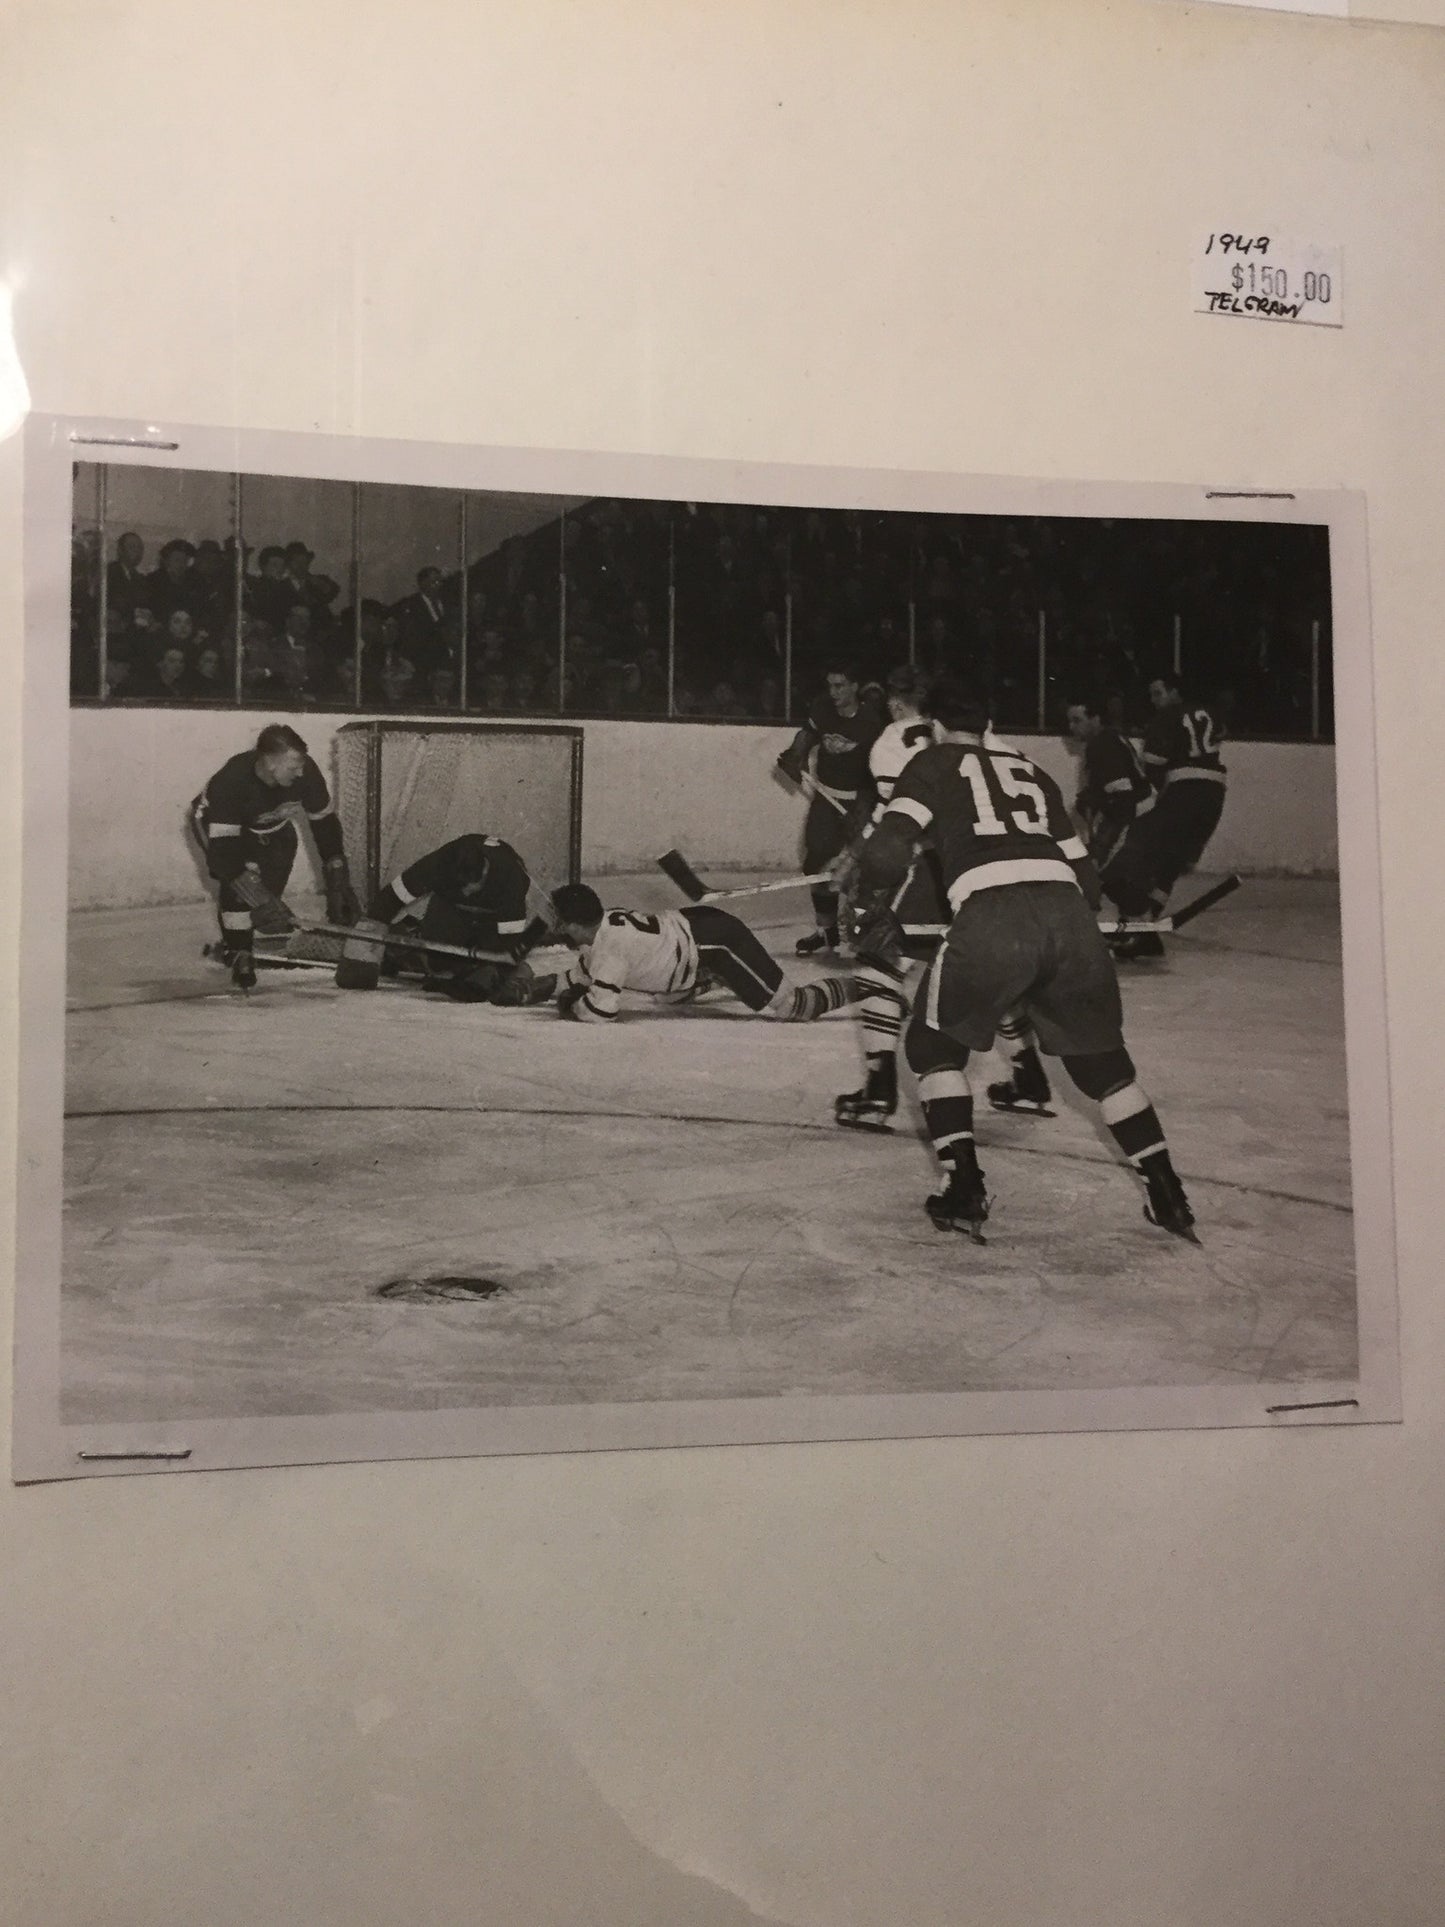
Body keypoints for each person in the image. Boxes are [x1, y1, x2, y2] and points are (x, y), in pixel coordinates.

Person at [852, 677, 1197, 1244]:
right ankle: (1168, 1192)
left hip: (992, 917)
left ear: (936, 726)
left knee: (933, 1048)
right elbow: (1086, 881)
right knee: (1105, 1068)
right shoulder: (1031, 772)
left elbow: (889, 853)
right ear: (988, 728)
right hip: (1070, 919)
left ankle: (963, 1184)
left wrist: (869, 901)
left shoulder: (932, 763)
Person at [834, 665, 1055, 1130]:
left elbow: (903, 819)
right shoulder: (999, 743)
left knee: (877, 959)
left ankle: (878, 1088)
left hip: (938, 870)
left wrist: (858, 858)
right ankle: (1029, 1077)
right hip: (998, 876)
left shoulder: (896, 737)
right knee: (992, 969)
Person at [189, 724, 362, 988]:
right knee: (242, 884)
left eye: (301, 765)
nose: (300, 772)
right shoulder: (232, 781)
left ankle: (241, 931)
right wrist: (256, 897)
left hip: (275, 828)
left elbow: (324, 824)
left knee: (267, 902)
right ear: (269, 762)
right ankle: (239, 950)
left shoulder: (307, 772)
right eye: (293, 767)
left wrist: (337, 875)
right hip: (222, 829)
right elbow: (224, 859)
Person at [549, 883, 860, 1025]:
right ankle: (710, 977)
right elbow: (582, 974)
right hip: (696, 930)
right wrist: (531, 988)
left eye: (562, 924)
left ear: (576, 926)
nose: (558, 929)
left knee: (794, 1006)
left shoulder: (610, 950)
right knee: (667, 996)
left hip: (717, 942)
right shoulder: (605, 926)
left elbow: (601, 1012)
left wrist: (572, 1006)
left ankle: (870, 987)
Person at [336, 835, 556, 1004]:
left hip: (493, 920)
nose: (468, 892)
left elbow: (509, 944)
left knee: (484, 978)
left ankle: (447, 958)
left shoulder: (510, 877)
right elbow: (389, 899)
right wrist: (363, 949)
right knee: (440, 963)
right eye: (462, 885)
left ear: (486, 869)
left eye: (474, 885)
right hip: (452, 910)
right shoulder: (436, 865)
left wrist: (493, 970)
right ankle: (410, 940)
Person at [1100, 675, 1228, 960]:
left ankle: (1140, 927)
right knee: (1171, 861)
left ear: (1175, 693)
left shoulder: (1166, 717)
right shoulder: (1213, 713)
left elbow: (1154, 766)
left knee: (1128, 860)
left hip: (1184, 792)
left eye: (1158, 693)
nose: (1154, 701)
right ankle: (1143, 930)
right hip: (1215, 793)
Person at [774, 663, 885, 956]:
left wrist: (865, 807)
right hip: (826, 799)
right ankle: (826, 932)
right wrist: (795, 755)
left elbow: (880, 770)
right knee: (815, 865)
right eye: (830, 686)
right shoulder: (823, 708)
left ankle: (868, 933)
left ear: (854, 687)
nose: (833, 692)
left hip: (859, 803)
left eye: (840, 686)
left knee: (862, 871)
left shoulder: (872, 722)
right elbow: (806, 735)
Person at [1065, 693, 1152, 868]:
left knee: (1103, 871)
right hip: (1131, 809)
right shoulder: (1108, 738)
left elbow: (1122, 796)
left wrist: (1102, 845)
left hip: (1130, 812)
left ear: (1095, 719)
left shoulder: (1103, 744)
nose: (1071, 726)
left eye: (1077, 720)